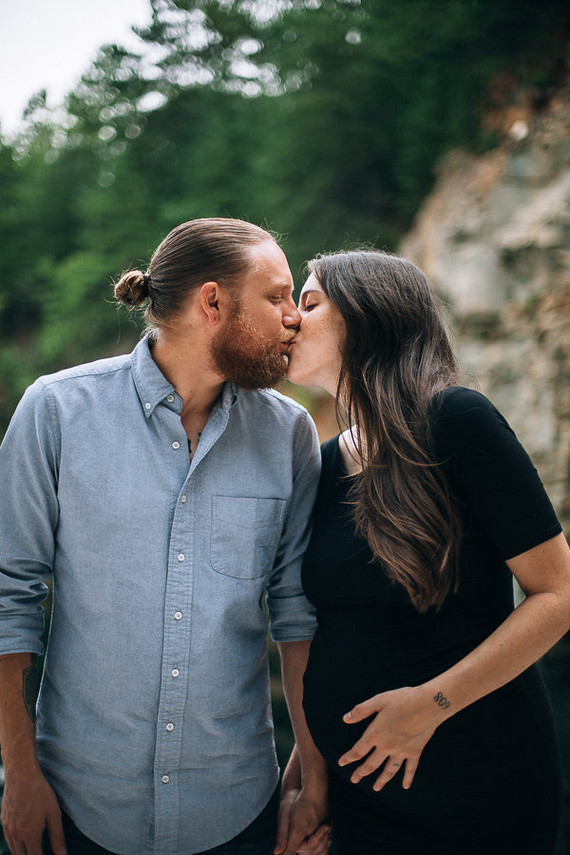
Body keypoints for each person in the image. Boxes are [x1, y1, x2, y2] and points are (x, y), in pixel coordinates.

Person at [0, 218, 330, 855]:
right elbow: (7, 598)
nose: (294, 317)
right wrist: (20, 776)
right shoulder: (56, 412)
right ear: (213, 303)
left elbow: (298, 617)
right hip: (77, 810)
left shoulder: (288, 434)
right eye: (277, 296)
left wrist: (312, 774)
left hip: (238, 811)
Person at [286, 249, 570, 855]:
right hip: (359, 790)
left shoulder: (457, 420)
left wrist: (430, 705)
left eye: (308, 303)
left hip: (473, 775)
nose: (289, 318)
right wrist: (307, 775)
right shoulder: (326, 459)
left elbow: (559, 594)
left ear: (366, 315)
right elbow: (336, 627)